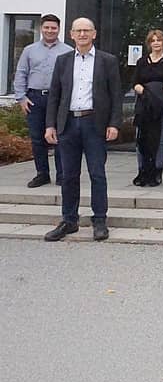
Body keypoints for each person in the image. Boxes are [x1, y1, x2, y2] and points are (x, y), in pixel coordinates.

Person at [42, 17, 122, 242]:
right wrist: (50, 125)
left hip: (94, 123)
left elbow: (116, 95)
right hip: (68, 124)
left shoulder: (108, 61)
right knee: (68, 175)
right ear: (71, 34)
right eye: (79, 31)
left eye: (87, 30)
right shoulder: (63, 61)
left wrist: (114, 123)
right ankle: (69, 220)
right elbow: (55, 95)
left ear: (94, 34)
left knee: (97, 173)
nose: (83, 34)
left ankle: (99, 220)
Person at [13, 14, 72, 188]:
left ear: (59, 29)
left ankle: (62, 175)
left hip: (59, 100)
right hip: (35, 99)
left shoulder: (68, 51)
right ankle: (42, 174)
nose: (50, 31)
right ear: (41, 28)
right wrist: (21, 97)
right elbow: (21, 73)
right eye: (47, 27)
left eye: (53, 28)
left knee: (61, 137)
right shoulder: (29, 50)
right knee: (37, 138)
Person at [131, 29, 163, 187]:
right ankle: (142, 170)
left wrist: (157, 91)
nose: (156, 43)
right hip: (144, 105)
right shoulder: (142, 61)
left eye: (159, 40)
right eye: (153, 40)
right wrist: (145, 91)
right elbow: (136, 83)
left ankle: (157, 170)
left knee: (160, 140)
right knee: (141, 139)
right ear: (149, 43)